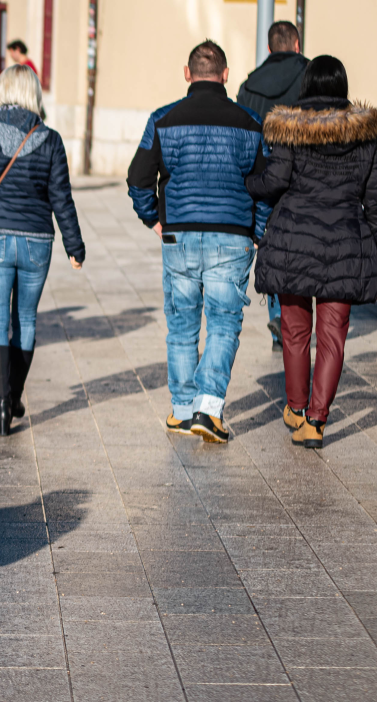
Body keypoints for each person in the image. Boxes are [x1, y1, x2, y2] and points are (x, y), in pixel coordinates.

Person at [127, 41, 270, 443]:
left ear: (187, 73)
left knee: (182, 324)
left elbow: (138, 178)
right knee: (224, 324)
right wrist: (256, 230)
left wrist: (153, 218)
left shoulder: (162, 118)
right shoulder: (251, 122)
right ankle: (208, 408)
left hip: (180, 235)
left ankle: (181, 410)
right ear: (225, 75)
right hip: (232, 235)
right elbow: (266, 185)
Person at [245, 56, 377, 449]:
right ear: (342, 86)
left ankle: (297, 406)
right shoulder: (366, 133)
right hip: (344, 245)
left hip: (293, 242)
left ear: (306, 86)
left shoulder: (290, 126)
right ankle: (317, 422)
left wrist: (247, 182)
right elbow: (374, 199)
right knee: (334, 337)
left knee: (295, 331)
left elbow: (275, 180)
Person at [0, 65, 84, 435]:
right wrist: (74, 245)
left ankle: (0, 407)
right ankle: (14, 394)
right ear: (34, 94)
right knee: (25, 320)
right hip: (36, 241)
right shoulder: (51, 140)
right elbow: (61, 197)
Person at [237, 20, 309, 352]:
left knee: (271, 243)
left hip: (265, 178)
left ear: (269, 48)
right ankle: (294, 317)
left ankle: (279, 316)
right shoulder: (309, 75)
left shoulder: (250, 85)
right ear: (297, 45)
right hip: (305, 177)